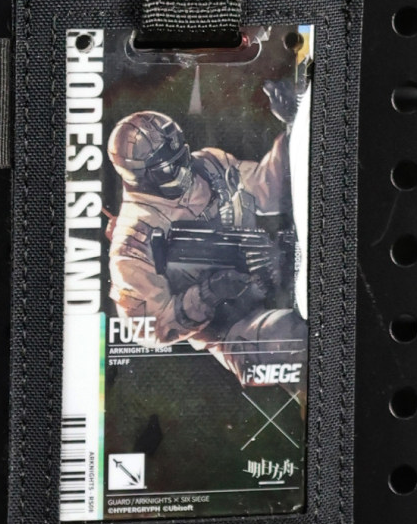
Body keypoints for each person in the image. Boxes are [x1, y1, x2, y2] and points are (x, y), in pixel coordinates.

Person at [106, 81, 306, 383]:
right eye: (168, 168)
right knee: (295, 340)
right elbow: (150, 328)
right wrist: (209, 293)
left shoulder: (209, 166)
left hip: (280, 272)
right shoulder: (134, 240)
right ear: (138, 176)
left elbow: (269, 187)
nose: (185, 171)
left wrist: (294, 127)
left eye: (182, 157)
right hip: (233, 327)